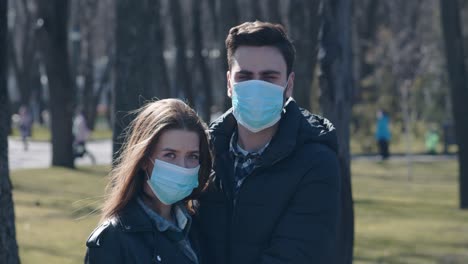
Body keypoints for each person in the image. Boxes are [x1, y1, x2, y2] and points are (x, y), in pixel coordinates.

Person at [197, 21, 341, 264]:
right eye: (245, 76)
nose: (256, 86)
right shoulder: (201, 154)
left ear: (289, 84)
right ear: (230, 84)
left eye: (268, 77)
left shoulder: (316, 163)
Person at [85, 99, 212, 263]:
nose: (182, 166)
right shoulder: (113, 239)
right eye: (170, 155)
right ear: (144, 159)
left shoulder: (198, 226)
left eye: (192, 156)